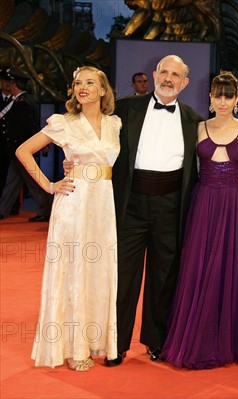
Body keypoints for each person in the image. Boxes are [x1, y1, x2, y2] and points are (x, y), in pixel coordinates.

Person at [16, 66, 121, 371]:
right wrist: (49, 186)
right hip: (74, 203)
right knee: (74, 270)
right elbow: (23, 151)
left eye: (90, 83)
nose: (82, 88)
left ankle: (97, 341)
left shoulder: (115, 124)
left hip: (103, 205)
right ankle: (76, 349)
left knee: (99, 272)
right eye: (78, 83)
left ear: (103, 90)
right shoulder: (63, 123)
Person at [104, 55, 204, 367]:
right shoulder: (124, 108)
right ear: (154, 74)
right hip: (131, 203)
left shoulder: (194, 119)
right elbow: (97, 139)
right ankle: (116, 344)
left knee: (164, 277)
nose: (169, 78)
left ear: (185, 82)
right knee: (123, 275)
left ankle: (156, 341)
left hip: (171, 205)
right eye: (164, 72)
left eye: (176, 74)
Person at [161, 71, 238, 369]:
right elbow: (187, 169)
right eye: (217, 95)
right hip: (204, 204)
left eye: (228, 95)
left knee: (232, 269)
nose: (222, 101)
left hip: (234, 206)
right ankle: (199, 338)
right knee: (201, 269)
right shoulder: (197, 128)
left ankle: (230, 340)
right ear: (210, 98)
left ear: (236, 99)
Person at [0, 69, 51, 221]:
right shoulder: (21, 101)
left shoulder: (23, 103)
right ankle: (2, 210)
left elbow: (30, 127)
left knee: (33, 182)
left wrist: (41, 145)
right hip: (16, 150)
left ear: (16, 85)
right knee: (12, 181)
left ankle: (46, 211)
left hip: (22, 150)